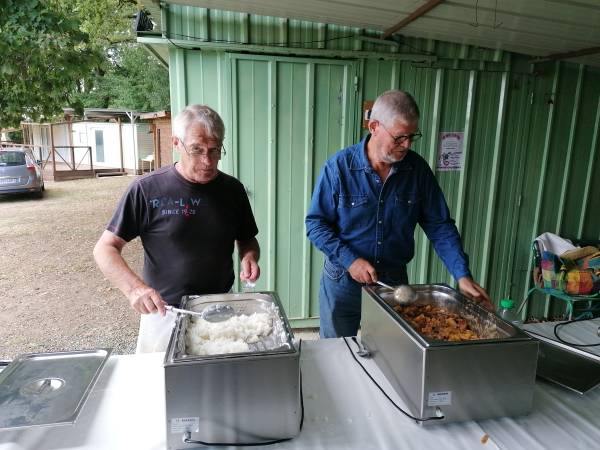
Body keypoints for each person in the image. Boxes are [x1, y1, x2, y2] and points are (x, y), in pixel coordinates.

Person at [305, 90, 491, 338]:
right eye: (400, 137)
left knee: (390, 354)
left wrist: (461, 274)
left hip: (393, 283)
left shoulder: (417, 170)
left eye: (412, 137)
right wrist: (350, 260)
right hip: (343, 280)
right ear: (374, 127)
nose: (407, 145)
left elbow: (440, 226)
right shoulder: (338, 168)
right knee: (338, 352)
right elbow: (315, 225)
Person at [94, 105, 260, 352]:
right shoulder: (147, 189)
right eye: (197, 149)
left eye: (215, 151)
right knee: (161, 385)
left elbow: (247, 240)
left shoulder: (232, 190)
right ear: (176, 143)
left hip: (220, 310)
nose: (207, 161)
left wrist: (250, 256)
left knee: (217, 382)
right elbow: (105, 248)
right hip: (164, 312)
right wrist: (135, 289)